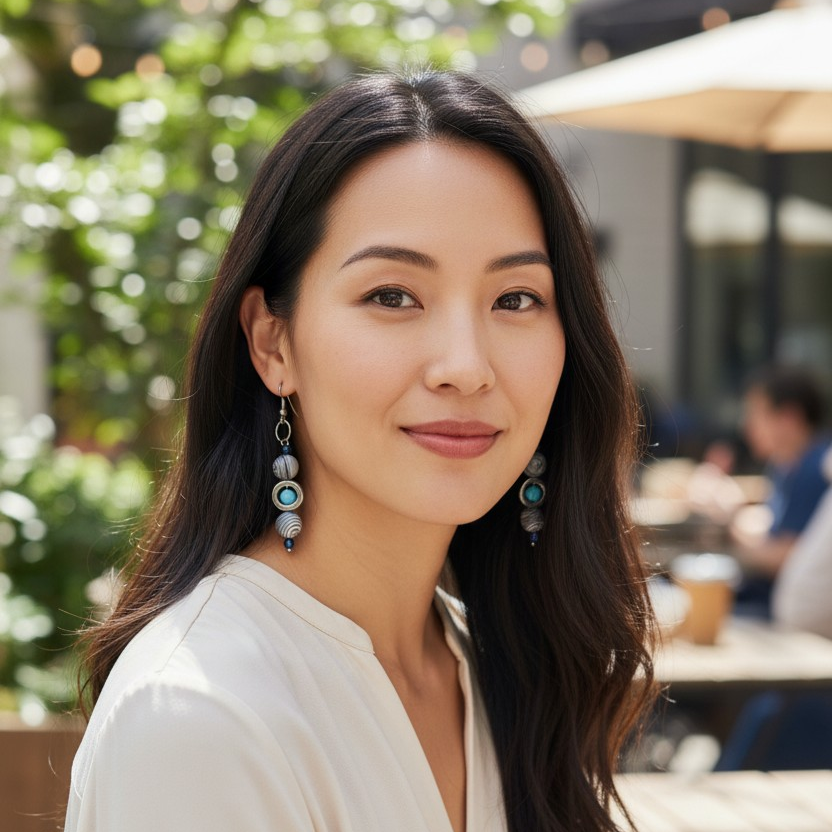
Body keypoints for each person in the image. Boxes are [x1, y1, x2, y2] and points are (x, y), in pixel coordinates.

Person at [65, 70, 656, 832]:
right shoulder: (199, 714)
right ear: (272, 342)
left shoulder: (495, 661)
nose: (466, 365)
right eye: (391, 296)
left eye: (515, 300)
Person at [732, 366, 830, 614]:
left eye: (756, 415)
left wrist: (732, 547)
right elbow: (776, 527)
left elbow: (792, 555)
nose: (748, 427)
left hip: (786, 609)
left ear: (789, 418)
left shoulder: (816, 468)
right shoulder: (784, 463)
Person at [772, 445, 832, 638]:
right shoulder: (798, 462)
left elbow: (784, 551)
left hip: (814, 637)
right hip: (799, 629)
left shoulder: (812, 466)